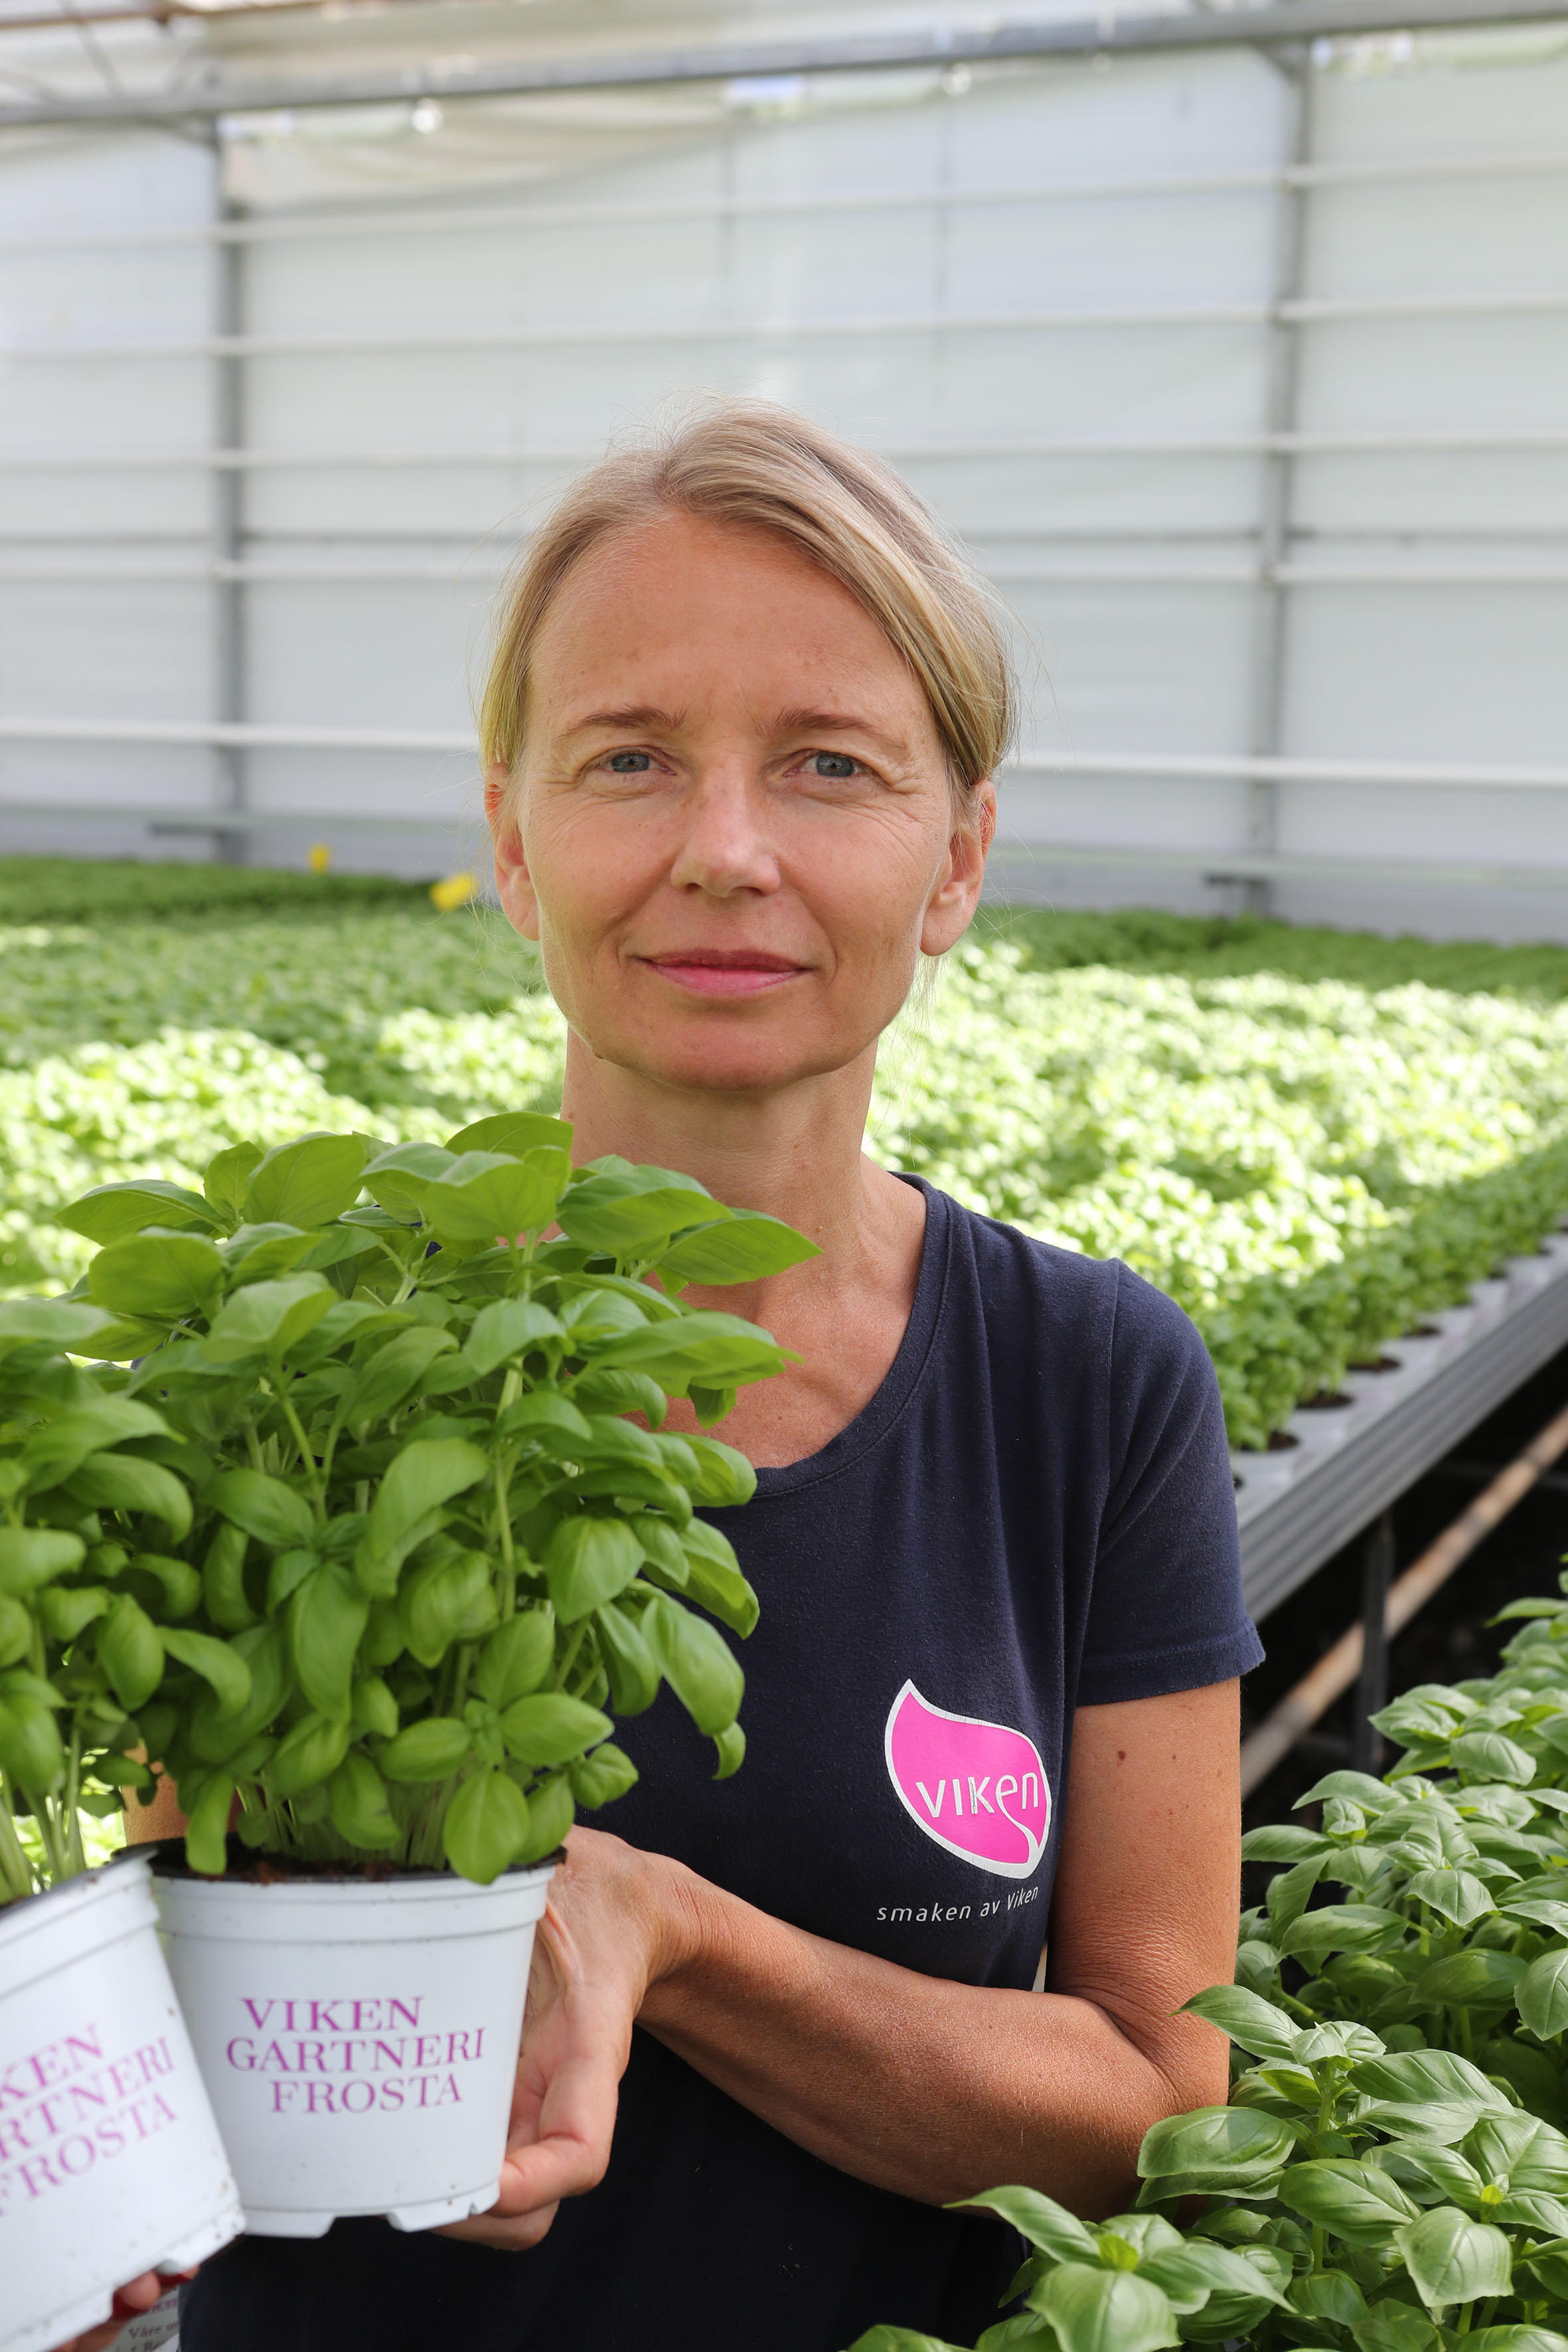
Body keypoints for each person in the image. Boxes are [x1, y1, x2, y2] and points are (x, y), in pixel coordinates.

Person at [173, 398, 1262, 2352]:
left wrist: (670, 1939)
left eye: (828, 764)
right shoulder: (295, 1377)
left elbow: (1164, 2108)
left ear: (955, 860)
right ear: (513, 844)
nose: (726, 851)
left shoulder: (1090, 1382)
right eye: (632, 759)